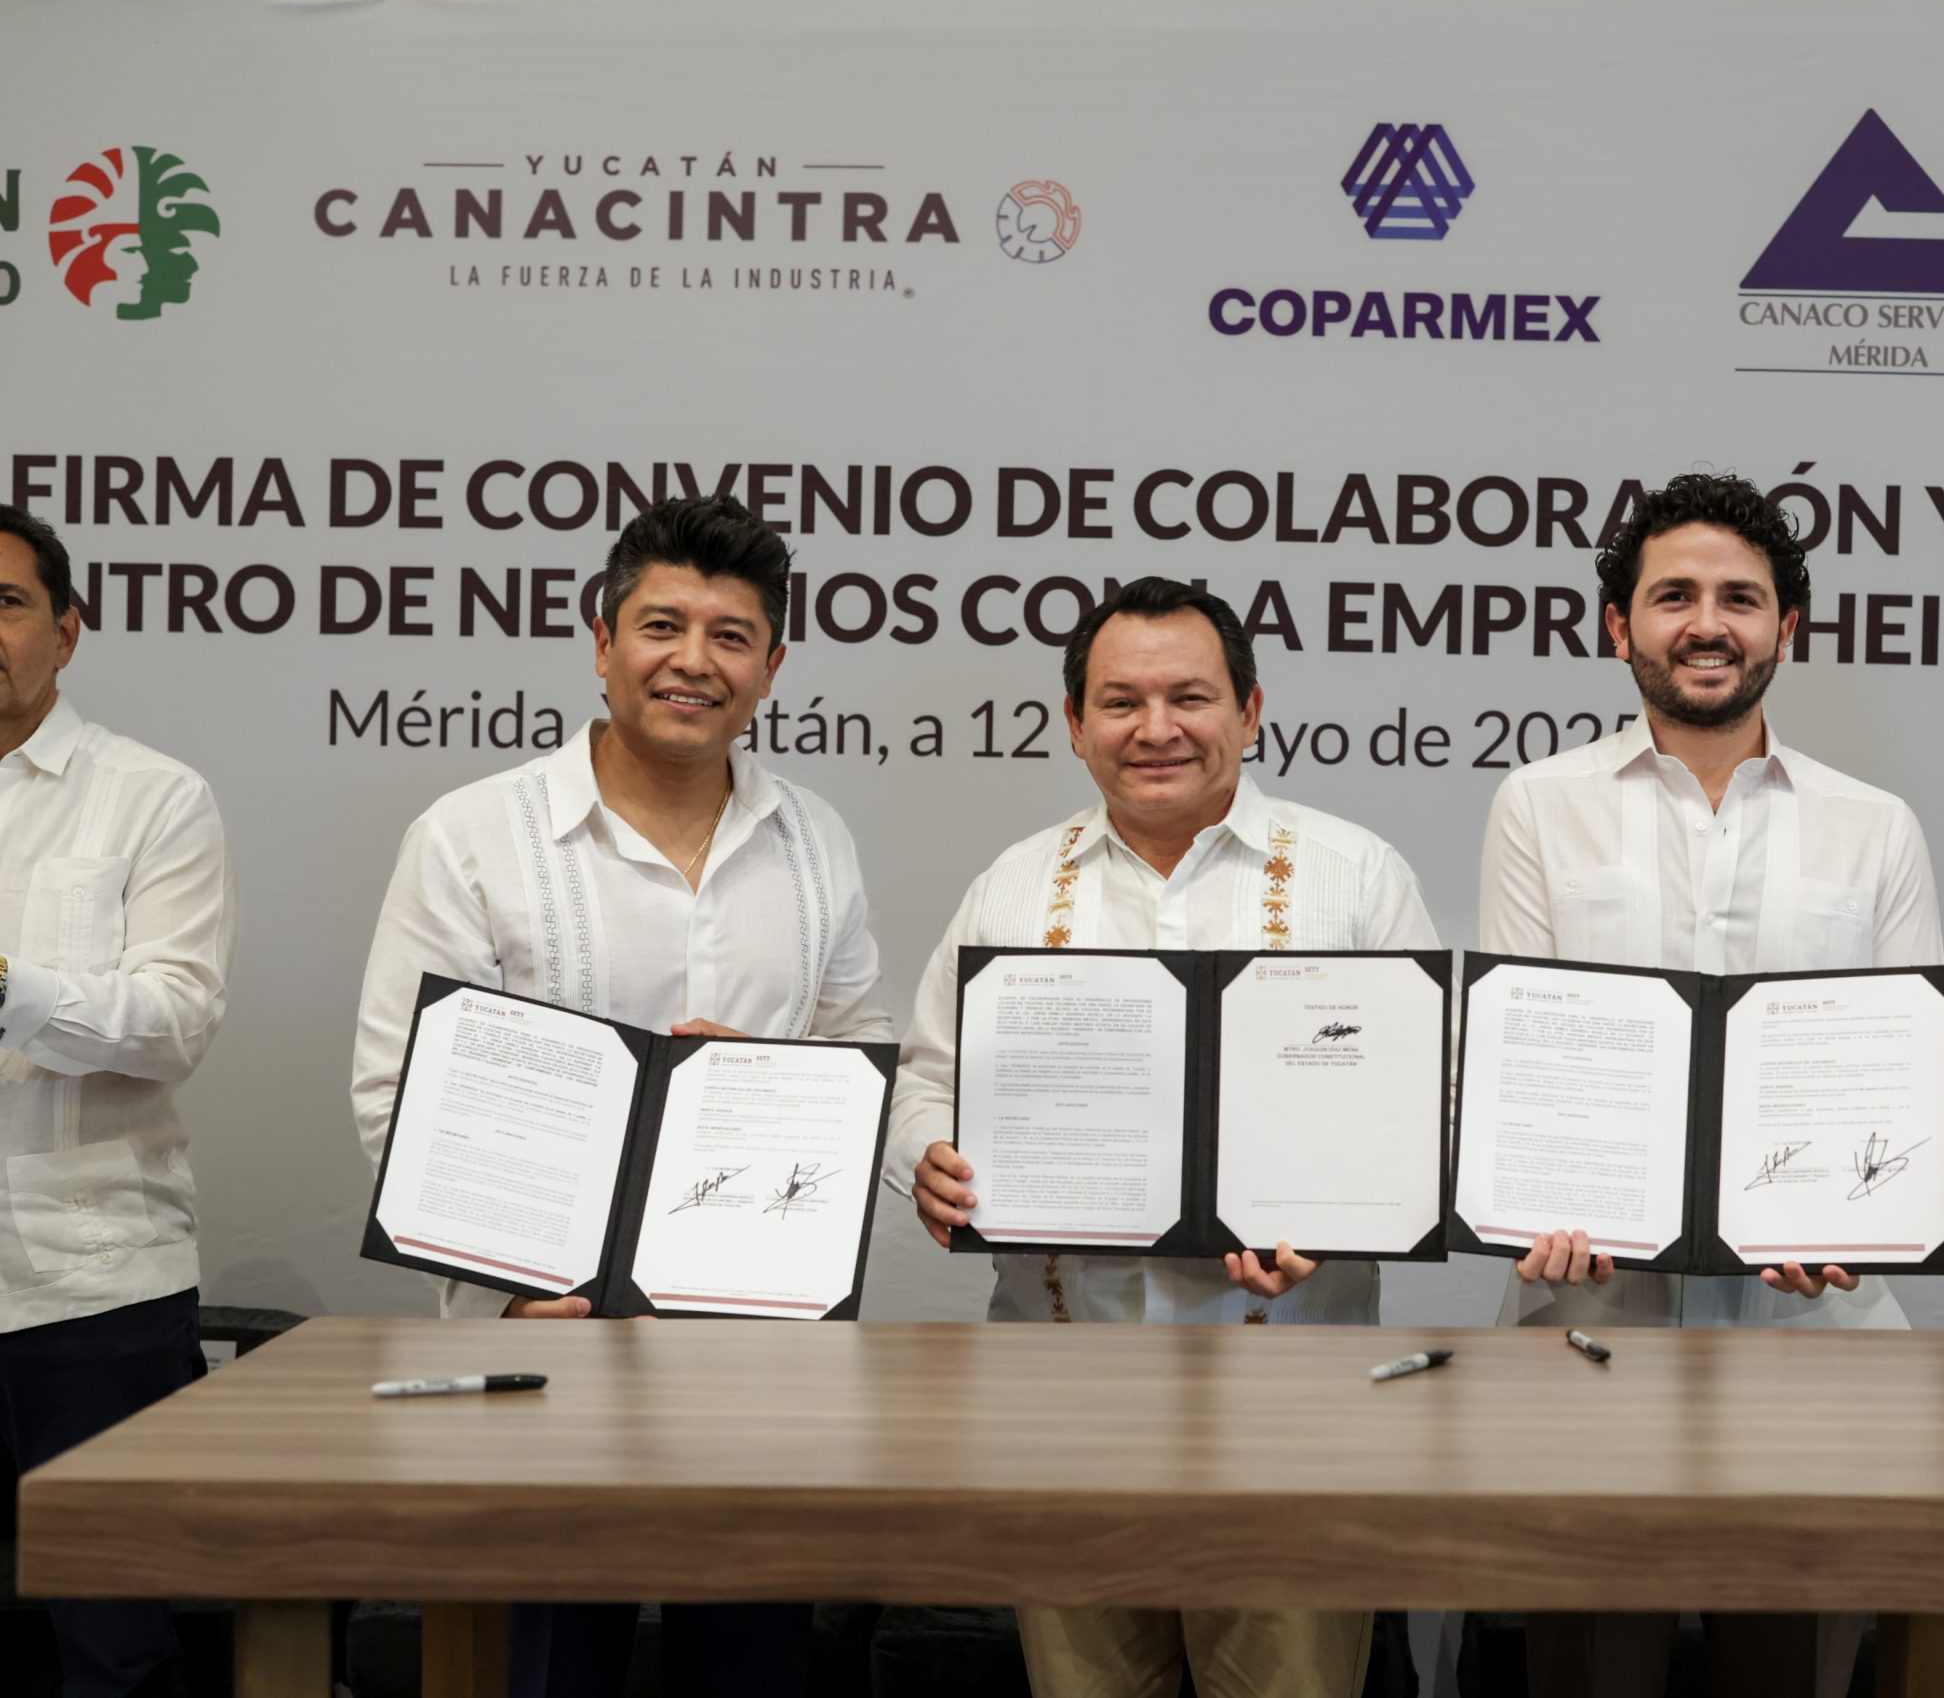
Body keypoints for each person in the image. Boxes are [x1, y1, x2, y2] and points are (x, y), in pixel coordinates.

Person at [352, 493, 893, 1698]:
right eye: (661, 625)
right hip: (544, 1346)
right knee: (542, 1669)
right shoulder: (472, 834)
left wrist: (771, 1083)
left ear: (771, 667)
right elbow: (399, 1097)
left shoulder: (816, 838)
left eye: (731, 635)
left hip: (759, 1356)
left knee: (752, 1674)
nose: (694, 660)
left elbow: (860, 1044)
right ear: (601, 641)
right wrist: (518, 1287)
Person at [890, 576, 1438, 1698]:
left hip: (1293, 1406)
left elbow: (1435, 1097)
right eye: (1120, 701)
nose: (1156, 729)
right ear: (1073, 722)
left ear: (1250, 709)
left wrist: (1337, 1219)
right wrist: (927, 1159)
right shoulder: (1011, 887)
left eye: (1189, 697)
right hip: (1063, 1399)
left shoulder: (1356, 878)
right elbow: (928, 1076)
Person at [1475, 471, 1944, 1698]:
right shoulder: (1537, 805)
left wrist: (1851, 1217)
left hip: (1811, 1329)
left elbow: (1895, 1075)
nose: (1706, 622)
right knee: (1589, 1672)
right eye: (1673, 594)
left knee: (1790, 1672)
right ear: (1616, 624)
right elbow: (1523, 1054)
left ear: (1786, 627)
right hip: (1592, 1317)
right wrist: (1538, 1199)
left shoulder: (1875, 825)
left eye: (1738, 597)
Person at [0, 504, 237, 1698]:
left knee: (116, 1653)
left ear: (67, 631)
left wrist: (9, 988)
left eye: (6, 602)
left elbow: (174, 1020)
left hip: (88, 1292)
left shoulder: (153, 796)